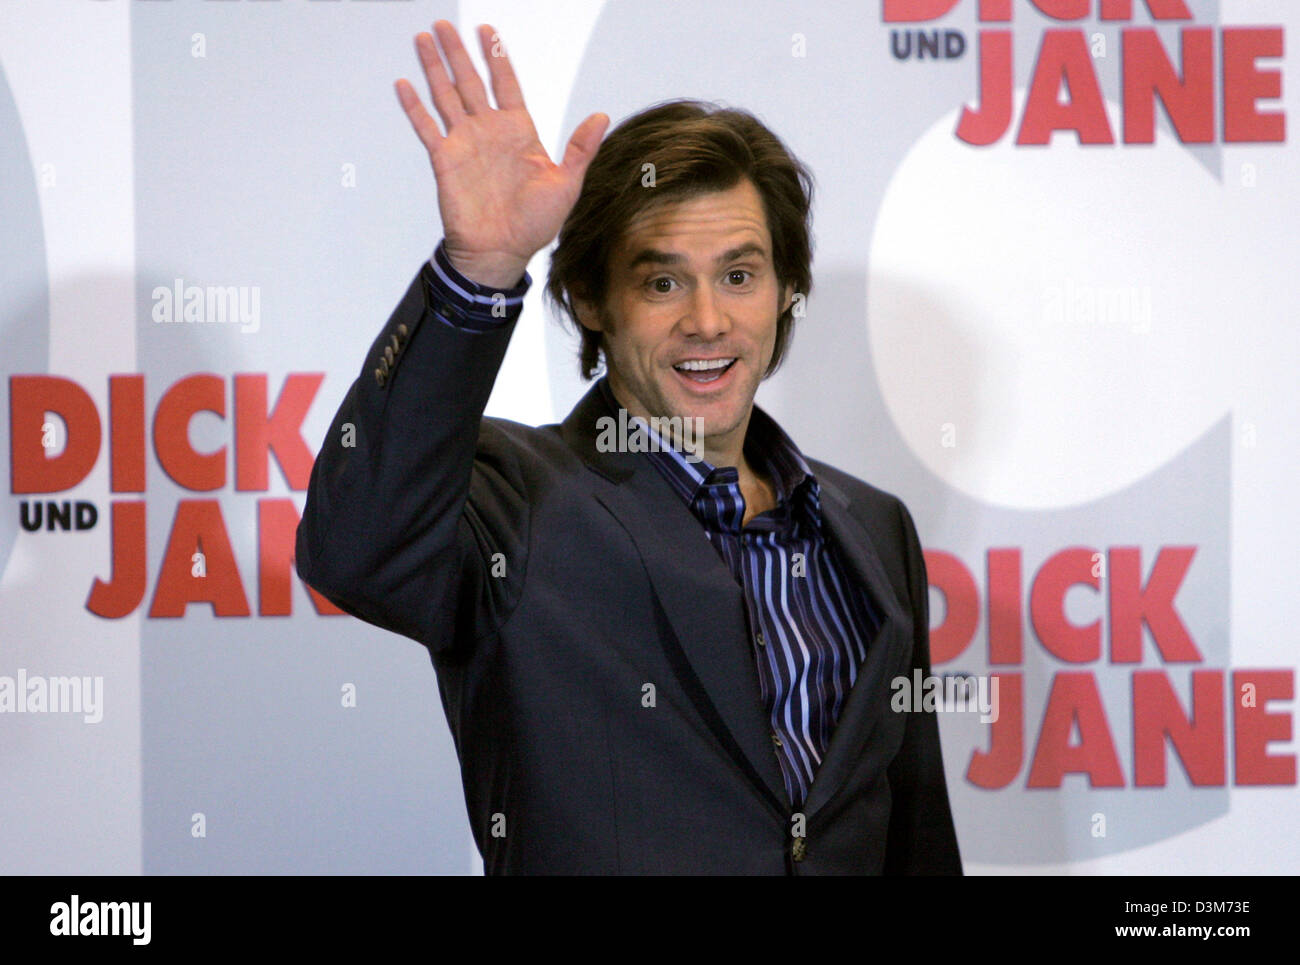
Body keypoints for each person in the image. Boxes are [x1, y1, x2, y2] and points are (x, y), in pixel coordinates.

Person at [296, 19, 962, 875]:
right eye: (661, 281)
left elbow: (916, 838)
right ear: (591, 299)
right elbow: (358, 548)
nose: (707, 321)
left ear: (785, 290)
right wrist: (480, 272)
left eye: (739, 274)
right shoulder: (517, 501)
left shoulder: (872, 527)